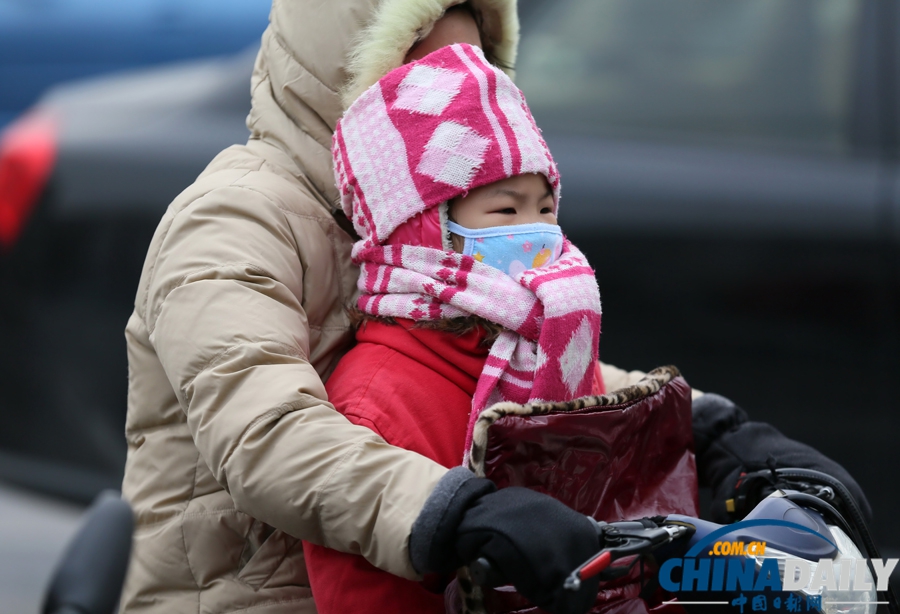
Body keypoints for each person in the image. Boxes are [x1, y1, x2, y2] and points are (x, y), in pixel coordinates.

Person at [119, 1, 871, 613]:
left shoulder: (463, 212)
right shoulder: (234, 220)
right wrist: (455, 510)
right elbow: (263, 431)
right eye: (425, 65)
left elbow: (514, 358)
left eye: (473, 63)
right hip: (252, 596)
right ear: (343, 66)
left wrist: (706, 428)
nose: (454, 87)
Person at [304, 42, 613, 613]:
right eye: (506, 211)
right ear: (427, 230)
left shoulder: (548, 349)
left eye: (546, 208)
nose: (540, 233)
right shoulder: (377, 403)